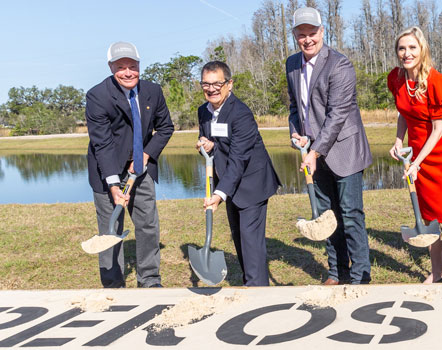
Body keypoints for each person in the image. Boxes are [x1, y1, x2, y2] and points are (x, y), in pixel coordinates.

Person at [285, 7, 373, 285]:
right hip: (315, 152)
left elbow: (337, 115)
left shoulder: (340, 65)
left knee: (350, 214)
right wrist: (297, 133)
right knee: (326, 216)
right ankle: (337, 272)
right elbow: (294, 107)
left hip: (344, 150)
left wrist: (314, 151)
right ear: (295, 36)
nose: (307, 39)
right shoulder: (291, 65)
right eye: (302, 34)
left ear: (322, 32)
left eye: (312, 33)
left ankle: (361, 274)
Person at [86, 42, 174, 288]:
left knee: (147, 224)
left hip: (141, 168)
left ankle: (149, 280)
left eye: (132, 66)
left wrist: (146, 154)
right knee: (110, 227)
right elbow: (101, 144)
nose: (128, 72)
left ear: (139, 66)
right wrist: (113, 184)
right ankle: (113, 284)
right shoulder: (98, 96)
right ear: (110, 67)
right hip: (107, 168)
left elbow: (166, 127)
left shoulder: (152, 91)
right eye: (121, 67)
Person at [386, 27, 442, 283]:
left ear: (422, 49)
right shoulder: (397, 79)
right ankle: (436, 271)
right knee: (427, 215)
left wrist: (417, 163)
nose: (407, 53)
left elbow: (439, 129)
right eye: (402, 48)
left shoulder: (436, 81)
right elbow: (403, 114)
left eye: (412, 48)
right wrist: (399, 140)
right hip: (417, 154)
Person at [195, 61, 281, 286]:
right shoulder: (203, 111)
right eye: (206, 84)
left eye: (217, 83)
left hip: (252, 182)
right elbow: (219, 144)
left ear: (229, 84)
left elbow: (239, 157)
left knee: (251, 241)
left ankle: (258, 291)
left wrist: (219, 194)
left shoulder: (241, 113)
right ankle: (250, 282)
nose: (211, 89)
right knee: (239, 237)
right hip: (228, 181)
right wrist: (207, 144)